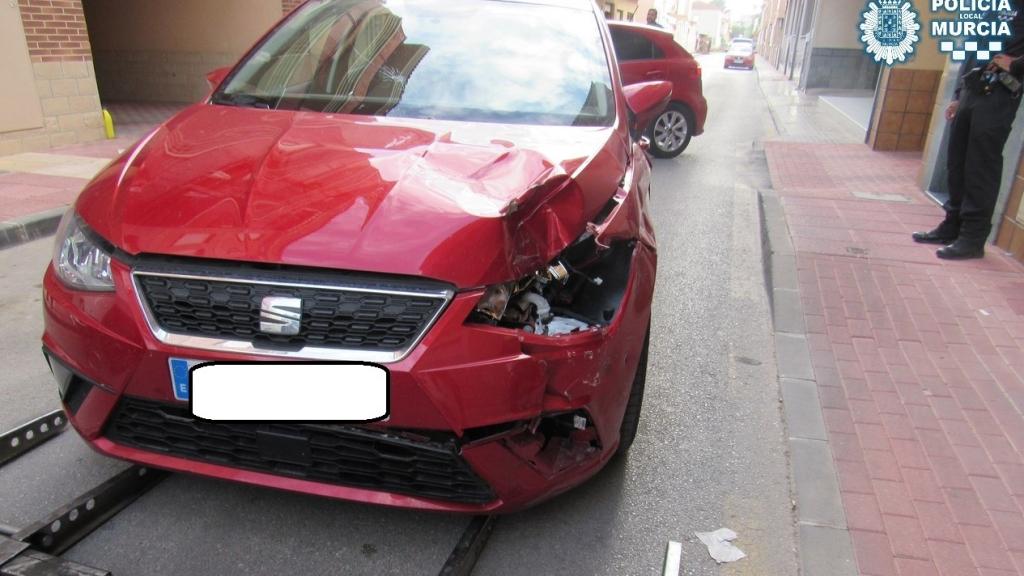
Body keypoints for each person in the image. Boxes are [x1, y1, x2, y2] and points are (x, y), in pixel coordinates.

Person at [913, 9, 1024, 259]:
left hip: (1001, 94)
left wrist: (1016, 65)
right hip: (972, 90)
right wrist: (958, 94)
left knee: (981, 166)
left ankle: (973, 238)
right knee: (957, 162)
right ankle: (952, 225)